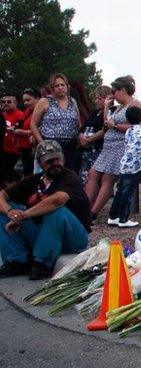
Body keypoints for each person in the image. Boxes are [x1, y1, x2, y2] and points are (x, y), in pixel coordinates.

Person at [0, 140, 91, 280]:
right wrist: (10, 211)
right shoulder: (35, 180)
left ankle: (42, 263)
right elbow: (3, 194)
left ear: (63, 158)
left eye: (57, 159)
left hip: (73, 236)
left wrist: (23, 215)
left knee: (57, 212)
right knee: (3, 210)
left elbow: (57, 200)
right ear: (40, 162)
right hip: (43, 232)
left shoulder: (70, 177)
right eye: (49, 161)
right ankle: (17, 260)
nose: (55, 163)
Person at [87, 77, 139, 221]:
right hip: (108, 146)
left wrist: (115, 126)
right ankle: (84, 207)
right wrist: (106, 107)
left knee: (107, 178)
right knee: (93, 174)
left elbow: (135, 127)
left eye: (114, 91)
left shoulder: (135, 105)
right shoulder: (119, 107)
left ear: (122, 90)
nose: (113, 95)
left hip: (120, 146)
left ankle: (93, 212)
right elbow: (106, 123)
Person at [107, 106, 141, 227]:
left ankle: (113, 216)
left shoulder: (128, 130)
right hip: (134, 166)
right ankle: (123, 219)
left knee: (120, 191)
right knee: (127, 193)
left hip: (124, 164)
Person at [30, 74, 83, 173]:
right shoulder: (45, 101)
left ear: (67, 87)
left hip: (71, 145)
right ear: (52, 88)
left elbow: (78, 123)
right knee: (51, 174)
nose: (60, 88)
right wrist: (42, 143)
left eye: (62, 85)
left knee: (69, 175)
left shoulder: (72, 101)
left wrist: (81, 135)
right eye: (57, 85)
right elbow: (33, 124)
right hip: (51, 145)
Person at [78, 85, 113, 186]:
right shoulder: (95, 112)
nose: (96, 101)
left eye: (99, 98)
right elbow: (84, 127)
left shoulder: (112, 112)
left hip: (100, 150)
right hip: (88, 152)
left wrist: (89, 139)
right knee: (85, 178)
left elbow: (105, 130)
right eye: (95, 98)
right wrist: (81, 136)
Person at [2, 94, 29, 172]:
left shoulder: (21, 116)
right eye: (3, 101)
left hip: (16, 152)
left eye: (9, 102)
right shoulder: (2, 115)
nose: (5, 103)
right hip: (3, 150)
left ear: (15, 103)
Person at [19, 88, 42, 173]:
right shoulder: (28, 112)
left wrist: (23, 132)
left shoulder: (43, 112)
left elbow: (43, 128)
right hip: (25, 149)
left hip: (36, 148)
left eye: (28, 100)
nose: (25, 103)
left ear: (37, 99)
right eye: (24, 101)